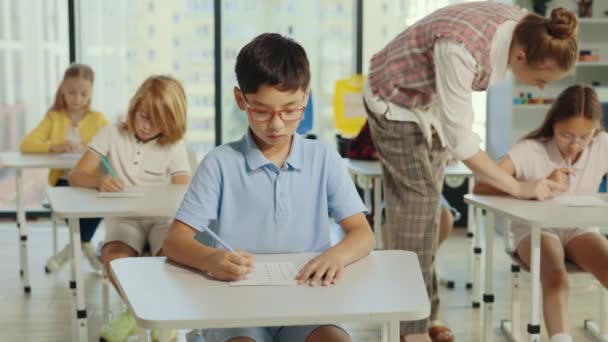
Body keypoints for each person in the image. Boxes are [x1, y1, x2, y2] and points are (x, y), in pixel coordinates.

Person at [364, 2, 577, 341]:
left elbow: (457, 129)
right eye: (541, 79)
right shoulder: (460, 48)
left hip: (426, 104)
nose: (540, 88)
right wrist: (518, 187)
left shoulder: (526, 27)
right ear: (520, 57)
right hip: (393, 101)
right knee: (416, 214)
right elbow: (462, 142)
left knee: (427, 216)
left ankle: (424, 313)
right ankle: (410, 329)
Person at [163, 33, 375, 342]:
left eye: (290, 110)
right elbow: (174, 241)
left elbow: (362, 233)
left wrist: (337, 256)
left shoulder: (323, 158)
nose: (276, 124)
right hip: (235, 306)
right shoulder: (220, 163)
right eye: (261, 110)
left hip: (306, 302)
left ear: (306, 97)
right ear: (241, 100)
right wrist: (210, 259)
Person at [474, 85, 608, 342]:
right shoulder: (530, 150)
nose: (575, 145)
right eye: (566, 135)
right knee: (556, 276)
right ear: (553, 123)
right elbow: (481, 185)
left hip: (578, 228)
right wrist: (532, 187)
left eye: (584, 137)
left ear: (596, 130)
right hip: (534, 231)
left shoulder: (601, 144)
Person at [68, 75, 191, 342]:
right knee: (115, 258)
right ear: (134, 107)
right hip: (124, 219)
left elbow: (184, 193)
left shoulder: (174, 145)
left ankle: (155, 315)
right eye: (144, 115)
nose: (148, 126)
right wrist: (100, 180)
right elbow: (77, 176)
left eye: (158, 121)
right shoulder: (111, 133)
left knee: (172, 259)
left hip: (161, 220)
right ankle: (137, 314)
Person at [20, 63, 108, 272]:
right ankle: (85, 248)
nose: (77, 98)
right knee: (69, 204)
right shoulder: (54, 118)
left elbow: (112, 146)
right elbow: (27, 144)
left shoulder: (99, 119)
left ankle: (71, 250)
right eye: (71, 92)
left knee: (102, 200)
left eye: (83, 93)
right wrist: (53, 146)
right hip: (63, 181)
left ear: (91, 93)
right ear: (62, 91)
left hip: (91, 181)